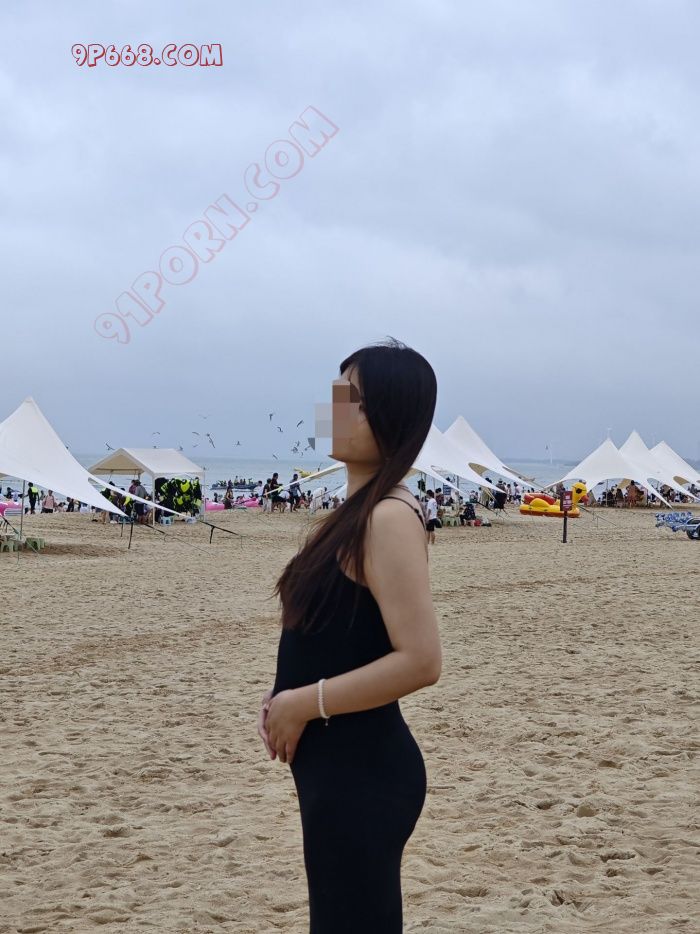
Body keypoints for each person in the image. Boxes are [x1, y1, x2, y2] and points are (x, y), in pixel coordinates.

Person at [258, 339, 441, 932]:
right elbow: (339, 632)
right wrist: (285, 696)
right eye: (335, 395)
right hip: (339, 768)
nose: (332, 411)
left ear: (390, 413)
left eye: (350, 399)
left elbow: (421, 660)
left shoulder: (388, 516)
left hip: (363, 771)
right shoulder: (359, 510)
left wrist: (303, 703)